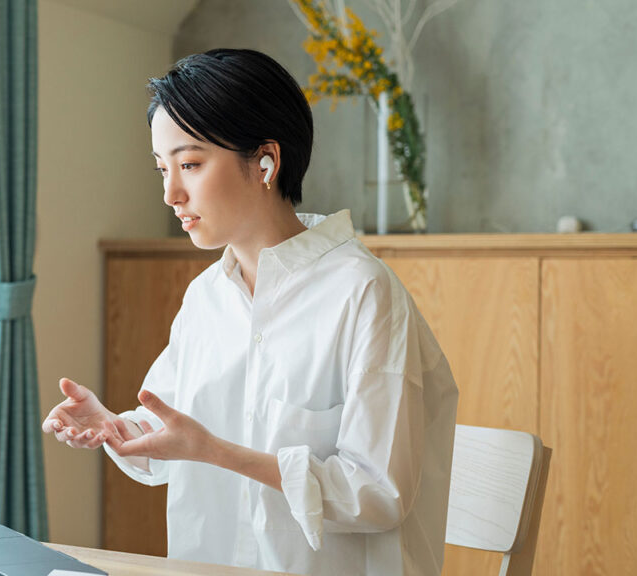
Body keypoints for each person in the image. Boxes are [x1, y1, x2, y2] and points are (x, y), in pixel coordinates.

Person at [41, 48, 458, 576]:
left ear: (265, 161)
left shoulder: (363, 293)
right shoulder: (206, 299)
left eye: (190, 165)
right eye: (161, 169)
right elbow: (173, 430)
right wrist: (115, 427)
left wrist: (216, 452)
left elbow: (378, 493)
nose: (171, 193)